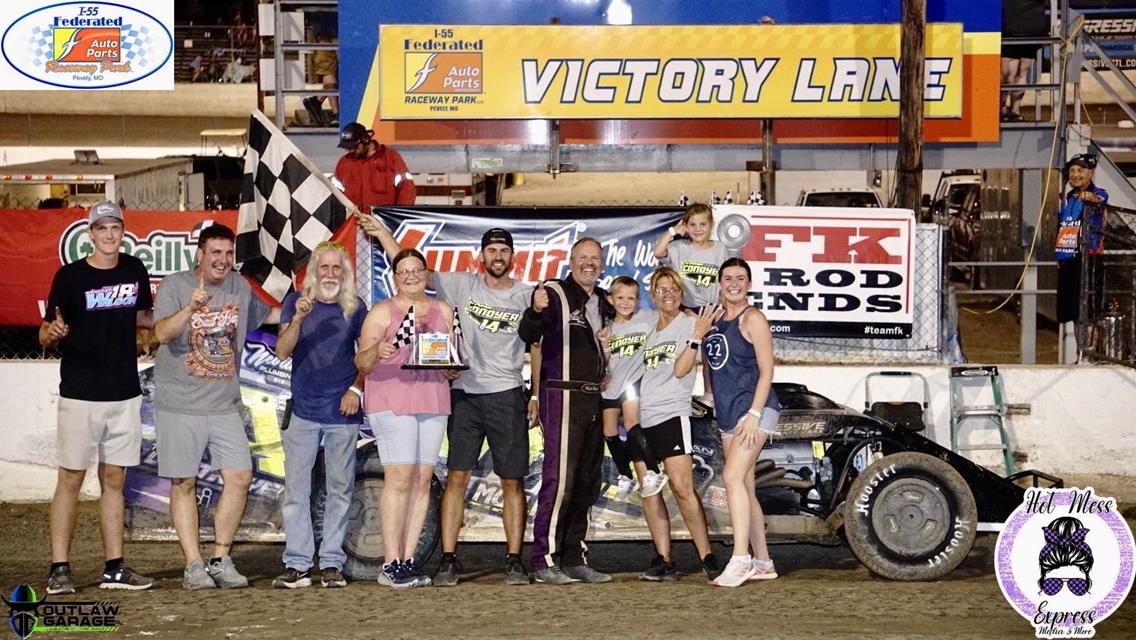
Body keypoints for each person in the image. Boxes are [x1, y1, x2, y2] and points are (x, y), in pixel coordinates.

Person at [356, 218, 535, 586]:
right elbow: (410, 267)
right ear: (481, 255)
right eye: (491, 250)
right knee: (433, 477)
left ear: (513, 256)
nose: (497, 256)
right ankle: (424, 561)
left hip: (470, 394)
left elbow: (540, 340)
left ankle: (507, 559)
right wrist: (385, 235)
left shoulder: (520, 295)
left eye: (504, 250)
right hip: (451, 396)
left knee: (437, 480)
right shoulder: (455, 287)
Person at [152, 223, 280, 590]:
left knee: (239, 476)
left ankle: (221, 558)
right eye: (216, 253)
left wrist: (302, 306)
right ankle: (193, 565)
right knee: (184, 482)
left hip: (224, 403)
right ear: (201, 254)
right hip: (179, 402)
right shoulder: (176, 285)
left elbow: (265, 316)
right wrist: (190, 309)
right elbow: (161, 334)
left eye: (228, 253)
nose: (223, 260)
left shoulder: (238, 286)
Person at [40, 201, 155, 594]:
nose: (109, 235)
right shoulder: (70, 277)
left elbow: (143, 320)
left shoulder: (134, 269)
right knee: (70, 478)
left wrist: (168, 327)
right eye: (101, 228)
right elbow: (44, 332)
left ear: (124, 231)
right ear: (90, 233)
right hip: (80, 392)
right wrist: (51, 334)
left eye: (115, 228)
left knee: (114, 480)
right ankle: (59, 568)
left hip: (124, 392)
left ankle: (115, 568)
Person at [355, 248, 454, 589]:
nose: (411, 276)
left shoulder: (443, 310)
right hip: (392, 400)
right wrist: (375, 350)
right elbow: (361, 364)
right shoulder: (381, 313)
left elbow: (451, 361)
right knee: (398, 479)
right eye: (404, 271)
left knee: (423, 481)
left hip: (433, 399)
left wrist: (453, 366)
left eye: (417, 270)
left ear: (427, 274)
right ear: (394, 278)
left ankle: (408, 560)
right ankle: (389, 562)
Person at [271, 241, 367, 590]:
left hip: (342, 413)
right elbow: (282, 351)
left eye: (336, 268)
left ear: (345, 274)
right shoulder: (296, 302)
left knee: (340, 490)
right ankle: (297, 564)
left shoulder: (356, 308)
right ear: (314, 272)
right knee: (297, 490)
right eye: (324, 268)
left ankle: (331, 563)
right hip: (304, 411)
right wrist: (297, 318)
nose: (330, 274)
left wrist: (355, 390)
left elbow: (369, 356)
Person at [518, 237, 612, 585]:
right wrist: (535, 310)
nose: (590, 263)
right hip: (562, 395)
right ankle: (542, 558)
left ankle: (573, 555)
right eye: (583, 257)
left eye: (595, 258)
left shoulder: (602, 299)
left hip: (593, 398)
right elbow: (527, 334)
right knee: (559, 480)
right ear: (571, 261)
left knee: (588, 480)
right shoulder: (554, 293)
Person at [699, 258, 780, 586]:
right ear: (719, 283)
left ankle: (740, 558)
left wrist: (755, 415)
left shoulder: (753, 318)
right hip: (728, 412)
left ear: (748, 284)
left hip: (756, 410)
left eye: (741, 278)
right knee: (745, 485)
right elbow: (709, 361)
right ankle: (763, 561)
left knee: (731, 477)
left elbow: (768, 370)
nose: (734, 283)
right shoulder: (715, 320)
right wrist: (707, 393)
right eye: (728, 278)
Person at [636, 267, 720, 583]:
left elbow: (683, 369)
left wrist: (697, 337)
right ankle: (664, 559)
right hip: (641, 418)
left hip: (671, 414)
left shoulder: (689, 324)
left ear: (681, 294)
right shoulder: (645, 326)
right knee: (649, 491)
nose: (668, 294)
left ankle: (707, 556)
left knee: (682, 487)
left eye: (674, 289)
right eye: (662, 289)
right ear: (653, 294)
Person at [601, 276, 668, 498]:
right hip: (611, 384)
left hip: (634, 381)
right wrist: (603, 345)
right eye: (620, 297)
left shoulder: (647, 317)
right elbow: (606, 358)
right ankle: (625, 476)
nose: (625, 302)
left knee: (631, 423)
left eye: (631, 298)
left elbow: (670, 314)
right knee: (609, 431)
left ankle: (654, 471)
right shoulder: (606, 326)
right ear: (610, 299)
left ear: (638, 301)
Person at [654, 202, 727, 405]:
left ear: (710, 225)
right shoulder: (679, 247)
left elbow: (724, 281)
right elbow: (658, 252)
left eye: (702, 224)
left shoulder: (720, 249)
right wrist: (672, 231)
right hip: (685, 309)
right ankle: (674, 394)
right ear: (686, 226)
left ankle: (710, 396)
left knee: (710, 356)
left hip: (711, 310)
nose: (697, 229)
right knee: (681, 353)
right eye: (692, 224)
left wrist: (721, 309)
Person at [1055, 153, 1109, 362]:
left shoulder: (1098, 193)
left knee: (1090, 310)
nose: (1076, 175)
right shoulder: (1068, 197)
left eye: (1081, 170)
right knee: (1074, 312)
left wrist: (1089, 197)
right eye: (1073, 171)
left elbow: (1100, 200)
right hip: (1069, 258)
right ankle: (1081, 354)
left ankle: (1091, 353)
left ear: (1091, 173)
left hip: (1090, 259)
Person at [333, 122, 416, 212]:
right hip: (353, 222)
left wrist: (399, 216)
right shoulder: (344, 163)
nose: (351, 151)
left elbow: (407, 189)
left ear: (365, 139)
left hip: (383, 222)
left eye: (355, 147)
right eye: (348, 148)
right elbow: (335, 194)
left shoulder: (391, 158)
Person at [1000, 0, 1047, 122]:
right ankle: (1002, 107)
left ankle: (1015, 110)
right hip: (1009, 24)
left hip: (1033, 25)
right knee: (1008, 73)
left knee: (1023, 70)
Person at [303, 10, 339, 126]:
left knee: (328, 69)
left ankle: (318, 102)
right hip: (339, 22)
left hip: (320, 24)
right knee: (338, 70)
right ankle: (335, 113)